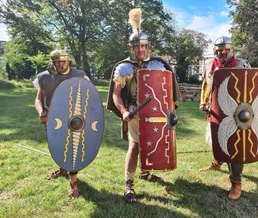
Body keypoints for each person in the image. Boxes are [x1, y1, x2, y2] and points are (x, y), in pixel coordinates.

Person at [106, 8, 180, 203]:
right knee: (135, 146)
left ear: (148, 46)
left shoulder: (159, 66)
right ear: (131, 47)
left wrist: (172, 111)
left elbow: (168, 92)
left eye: (143, 46)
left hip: (157, 114)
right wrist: (123, 111)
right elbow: (116, 94)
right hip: (135, 113)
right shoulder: (124, 68)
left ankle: (145, 173)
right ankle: (128, 184)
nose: (140, 50)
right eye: (136, 46)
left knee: (155, 143)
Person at [33, 49, 90, 200]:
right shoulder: (45, 77)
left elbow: (89, 95)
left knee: (73, 150)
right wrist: (41, 111)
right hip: (53, 119)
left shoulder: (79, 75)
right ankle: (63, 169)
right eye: (55, 62)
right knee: (58, 147)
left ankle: (74, 185)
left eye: (61, 61)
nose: (58, 64)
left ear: (68, 61)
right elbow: (39, 99)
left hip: (74, 120)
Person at [199, 36, 251, 200]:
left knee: (234, 147)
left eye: (225, 50)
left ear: (231, 50)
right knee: (216, 139)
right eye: (219, 50)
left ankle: (236, 182)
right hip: (215, 110)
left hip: (235, 114)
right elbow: (206, 85)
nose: (222, 53)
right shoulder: (209, 65)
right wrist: (203, 101)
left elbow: (251, 88)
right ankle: (218, 162)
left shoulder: (242, 65)